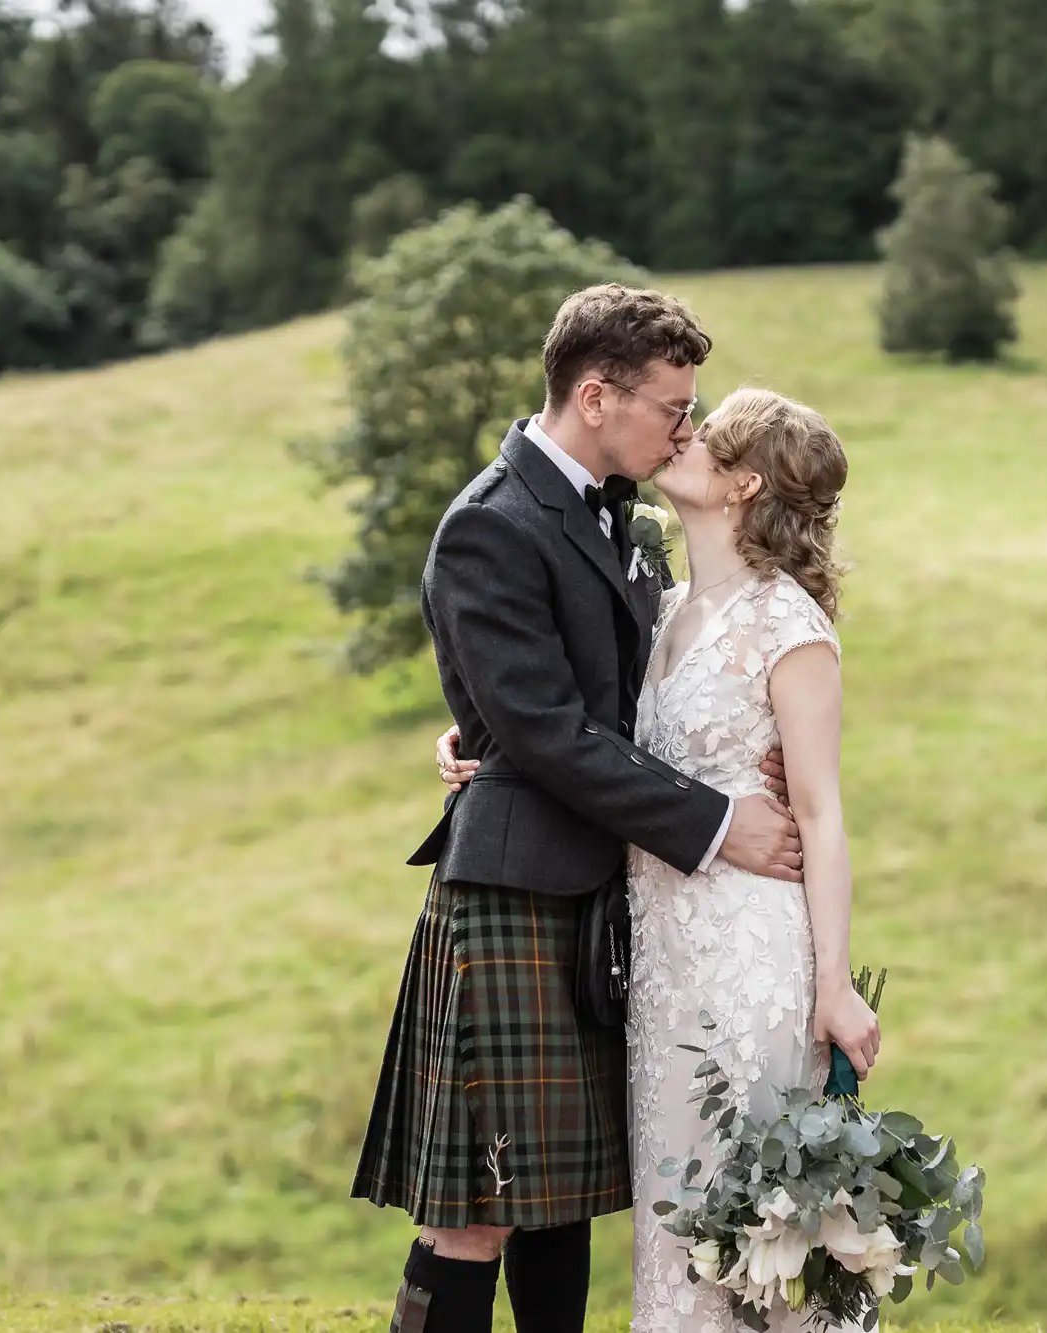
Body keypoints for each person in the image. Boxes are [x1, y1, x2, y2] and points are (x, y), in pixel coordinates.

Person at [351, 284, 805, 1333]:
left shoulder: (626, 522)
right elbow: (551, 730)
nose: (683, 427)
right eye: (670, 407)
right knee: (479, 1212)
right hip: (514, 891)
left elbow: (602, 701)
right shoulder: (489, 526)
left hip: (599, 890)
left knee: (556, 1208)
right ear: (594, 395)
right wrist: (712, 820)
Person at [435, 385, 882, 1331]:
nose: (681, 434)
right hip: (657, 958)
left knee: (750, 1226)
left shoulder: (788, 625)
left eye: (703, 432)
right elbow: (574, 720)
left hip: (750, 954)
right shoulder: (658, 603)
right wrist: (476, 734)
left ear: (743, 481)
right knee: (677, 1229)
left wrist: (835, 986)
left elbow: (823, 815)